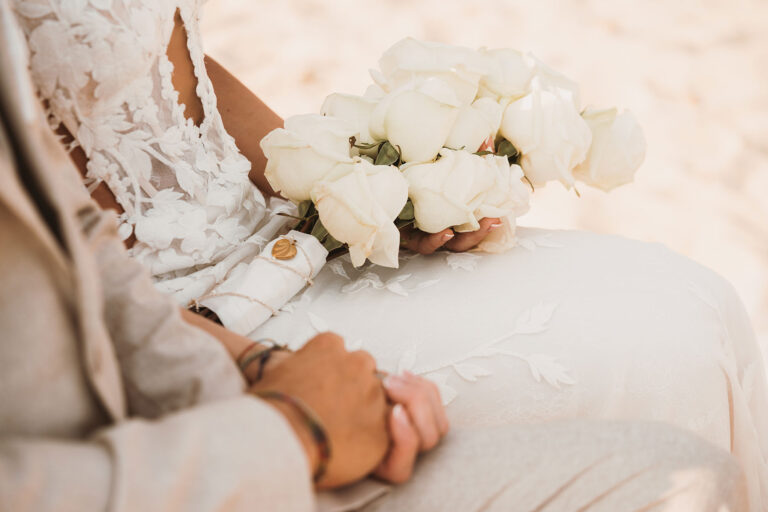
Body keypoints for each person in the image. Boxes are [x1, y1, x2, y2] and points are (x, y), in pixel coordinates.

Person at [7, 0, 767, 509]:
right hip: (178, 309)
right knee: (667, 356)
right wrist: (263, 375)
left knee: (692, 302)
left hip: (267, 234)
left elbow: (163, 68)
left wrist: (347, 189)